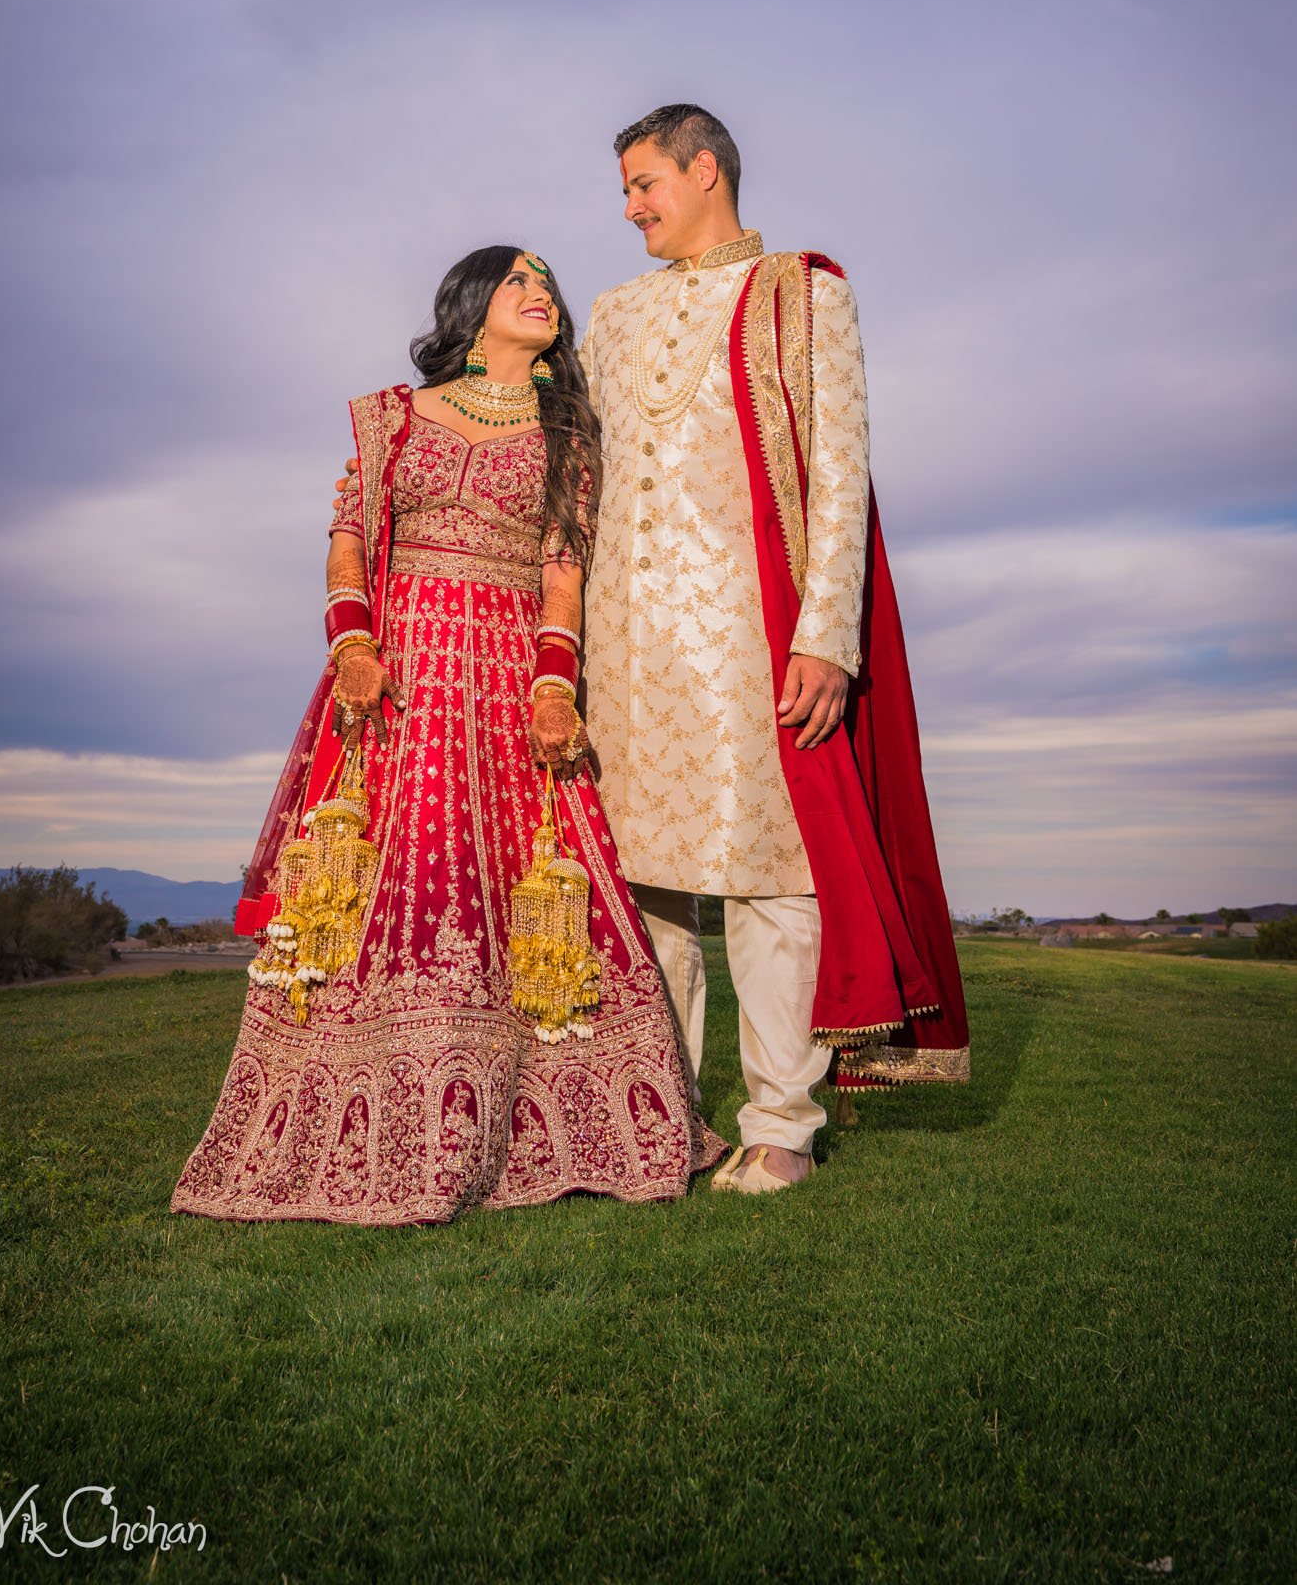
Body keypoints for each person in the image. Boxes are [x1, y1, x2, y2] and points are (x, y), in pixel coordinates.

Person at [171, 247, 723, 1228]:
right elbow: (346, 540)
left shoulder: (568, 440)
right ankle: (362, 1128)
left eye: (547, 285)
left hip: (505, 682)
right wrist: (352, 646)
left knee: (521, 897)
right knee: (394, 882)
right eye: (520, 281)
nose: (540, 294)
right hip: (398, 683)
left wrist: (555, 691)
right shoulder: (392, 416)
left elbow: (562, 576)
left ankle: (537, 1121)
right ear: (473, 307)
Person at [577, 104, 969, 1196]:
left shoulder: (803, 289)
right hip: (625, 636)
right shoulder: (608, 316)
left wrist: (826, 635)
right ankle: (659, 1120)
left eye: (645, 182)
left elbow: (840, 469)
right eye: (623, 189)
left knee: (764, 881)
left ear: (707, 171)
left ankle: (780, 1125)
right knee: (641, 889)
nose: (630, 207)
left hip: (750, 631)